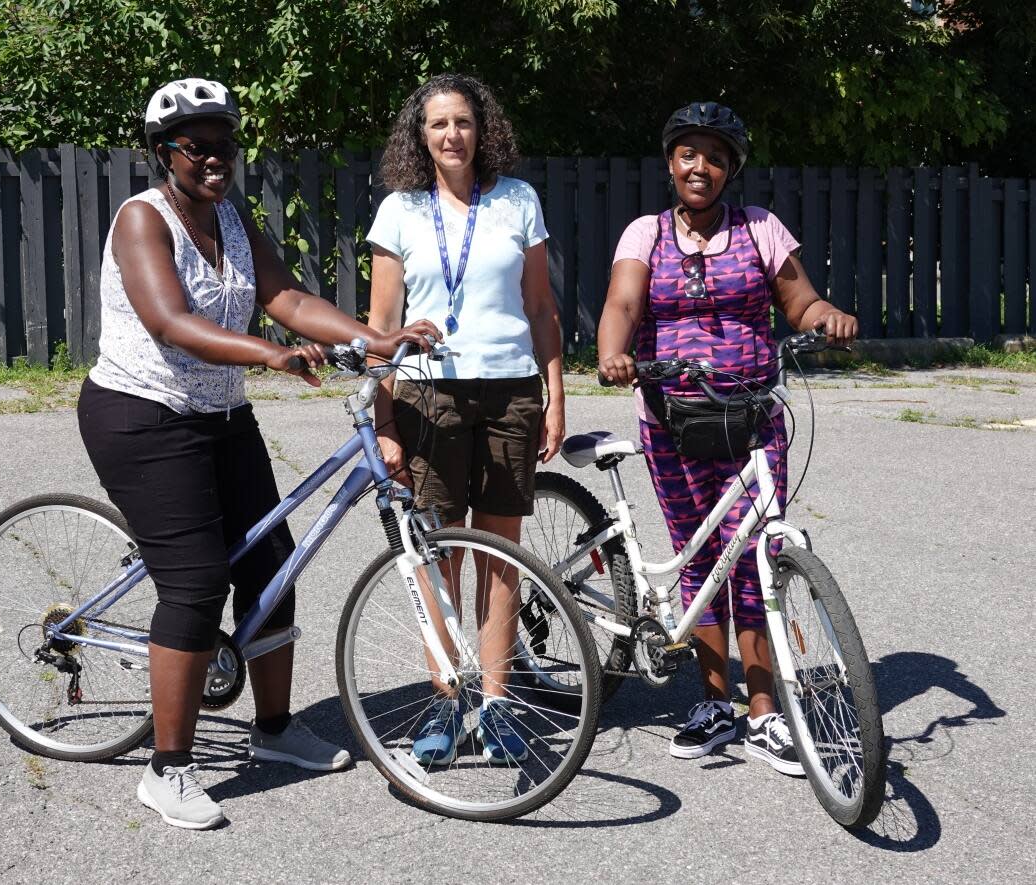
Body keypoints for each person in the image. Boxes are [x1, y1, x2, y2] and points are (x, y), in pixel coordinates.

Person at [77, 78, 439, 829]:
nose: (216, 157)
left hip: (220, 412)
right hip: (140, 416)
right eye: (197, 145)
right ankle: (167, 768)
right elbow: (171, 321)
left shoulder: (232, 220)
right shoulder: (141, 221)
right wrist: (267, 356)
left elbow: (289, 299)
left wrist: (372, 338)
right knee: (197, 580)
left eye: (225, 144)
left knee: (272, 561)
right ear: (163, 153)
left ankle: (274, 731)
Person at [597, 102, 858, 775]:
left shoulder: (763, 228)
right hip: (670, 421)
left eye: (715, 156)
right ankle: (714, 701)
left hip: (753, 421)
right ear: (670, 161)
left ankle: (766, 709)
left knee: (756, 555)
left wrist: (824, 313)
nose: (700, 166)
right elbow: (624, 303)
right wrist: (613, 351)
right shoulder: (645, 234)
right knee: (696, 554)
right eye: (688, 153)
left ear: (730, 167)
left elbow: (799, 301)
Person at [365, 73, 565, 766]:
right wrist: (384, 416)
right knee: (438, 554)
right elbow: (381, 325)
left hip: (510, 391)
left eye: (463, 123)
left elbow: (540, 308)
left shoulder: (518, 201)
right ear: (420, 136)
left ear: (483, 131)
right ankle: (447, 701)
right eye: (438, 124)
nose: (452, 135)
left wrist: (556, 394)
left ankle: (501, 704)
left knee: (500, 556)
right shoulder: (400, 210)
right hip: (429, 397)